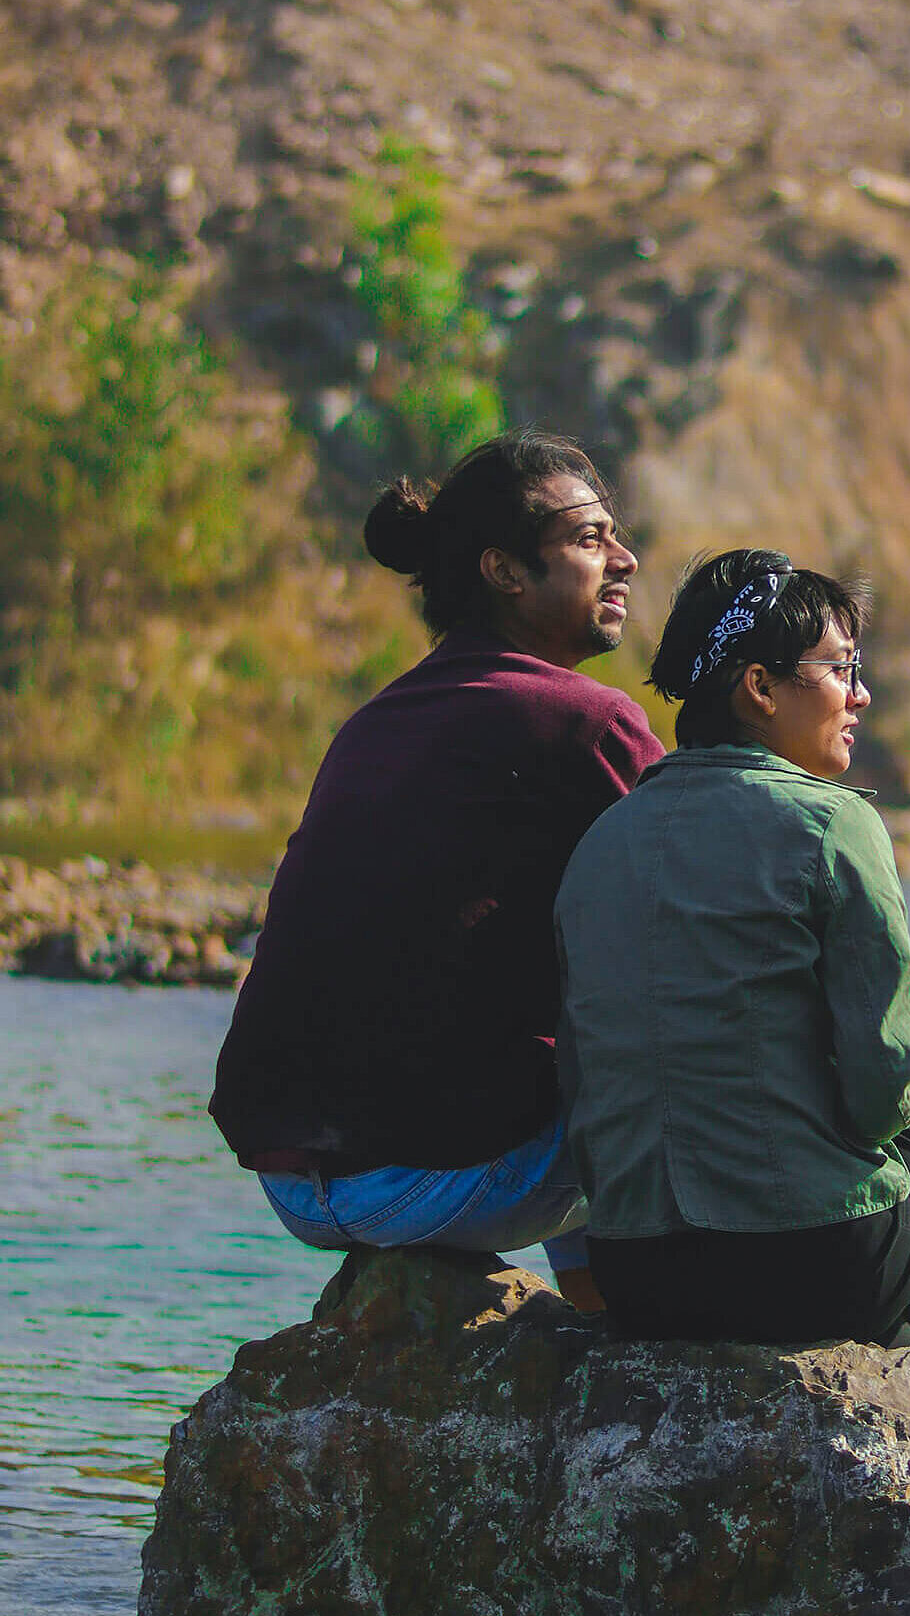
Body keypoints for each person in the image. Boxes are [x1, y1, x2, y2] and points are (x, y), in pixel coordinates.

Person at [209, 429, 664, 1307]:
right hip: (439, 1180)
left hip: (295, 1189)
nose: (625, 559)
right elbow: (715, 913)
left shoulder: (378, 718)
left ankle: (599, 1308)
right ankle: (863, 1267)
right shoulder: (587, 721)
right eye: (588, 538)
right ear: (503, 570)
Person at [555, 549, 910, 1346]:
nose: (860, 694)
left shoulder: (597, 840)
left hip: (637, 1276)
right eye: (838, 668)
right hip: (815, 1266)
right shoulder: (831, 823)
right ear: (759, 688)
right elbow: (884, 1091)